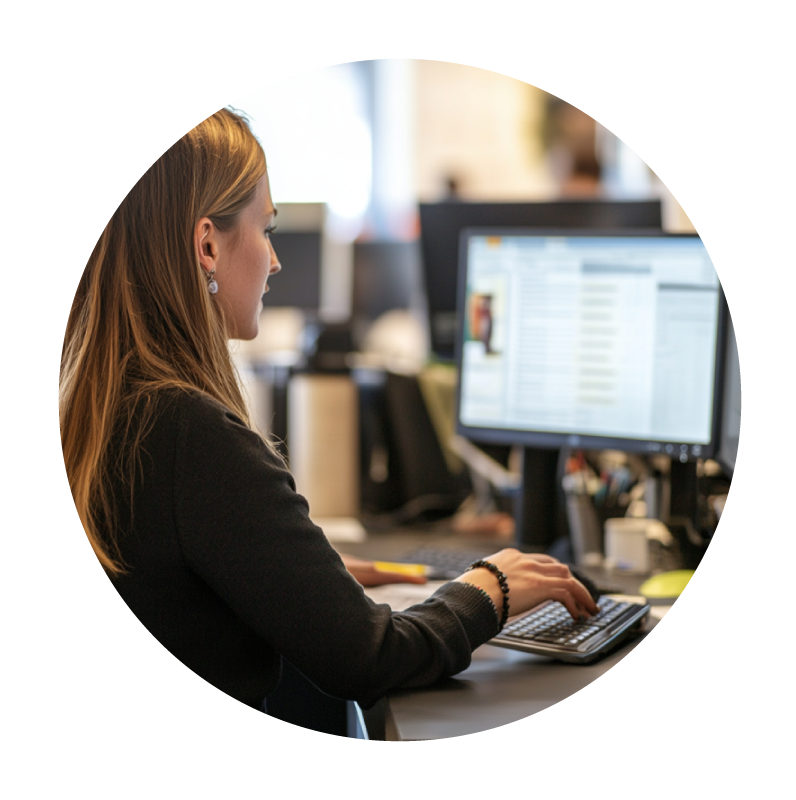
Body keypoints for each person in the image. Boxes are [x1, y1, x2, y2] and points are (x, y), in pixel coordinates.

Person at [59, 108, 598, 726]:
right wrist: (491, 585)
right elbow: (369, 658)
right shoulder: (192, 433)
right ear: (207, 244)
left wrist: (297, 577)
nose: (275, 260)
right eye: (266, 229)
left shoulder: (110, 407)